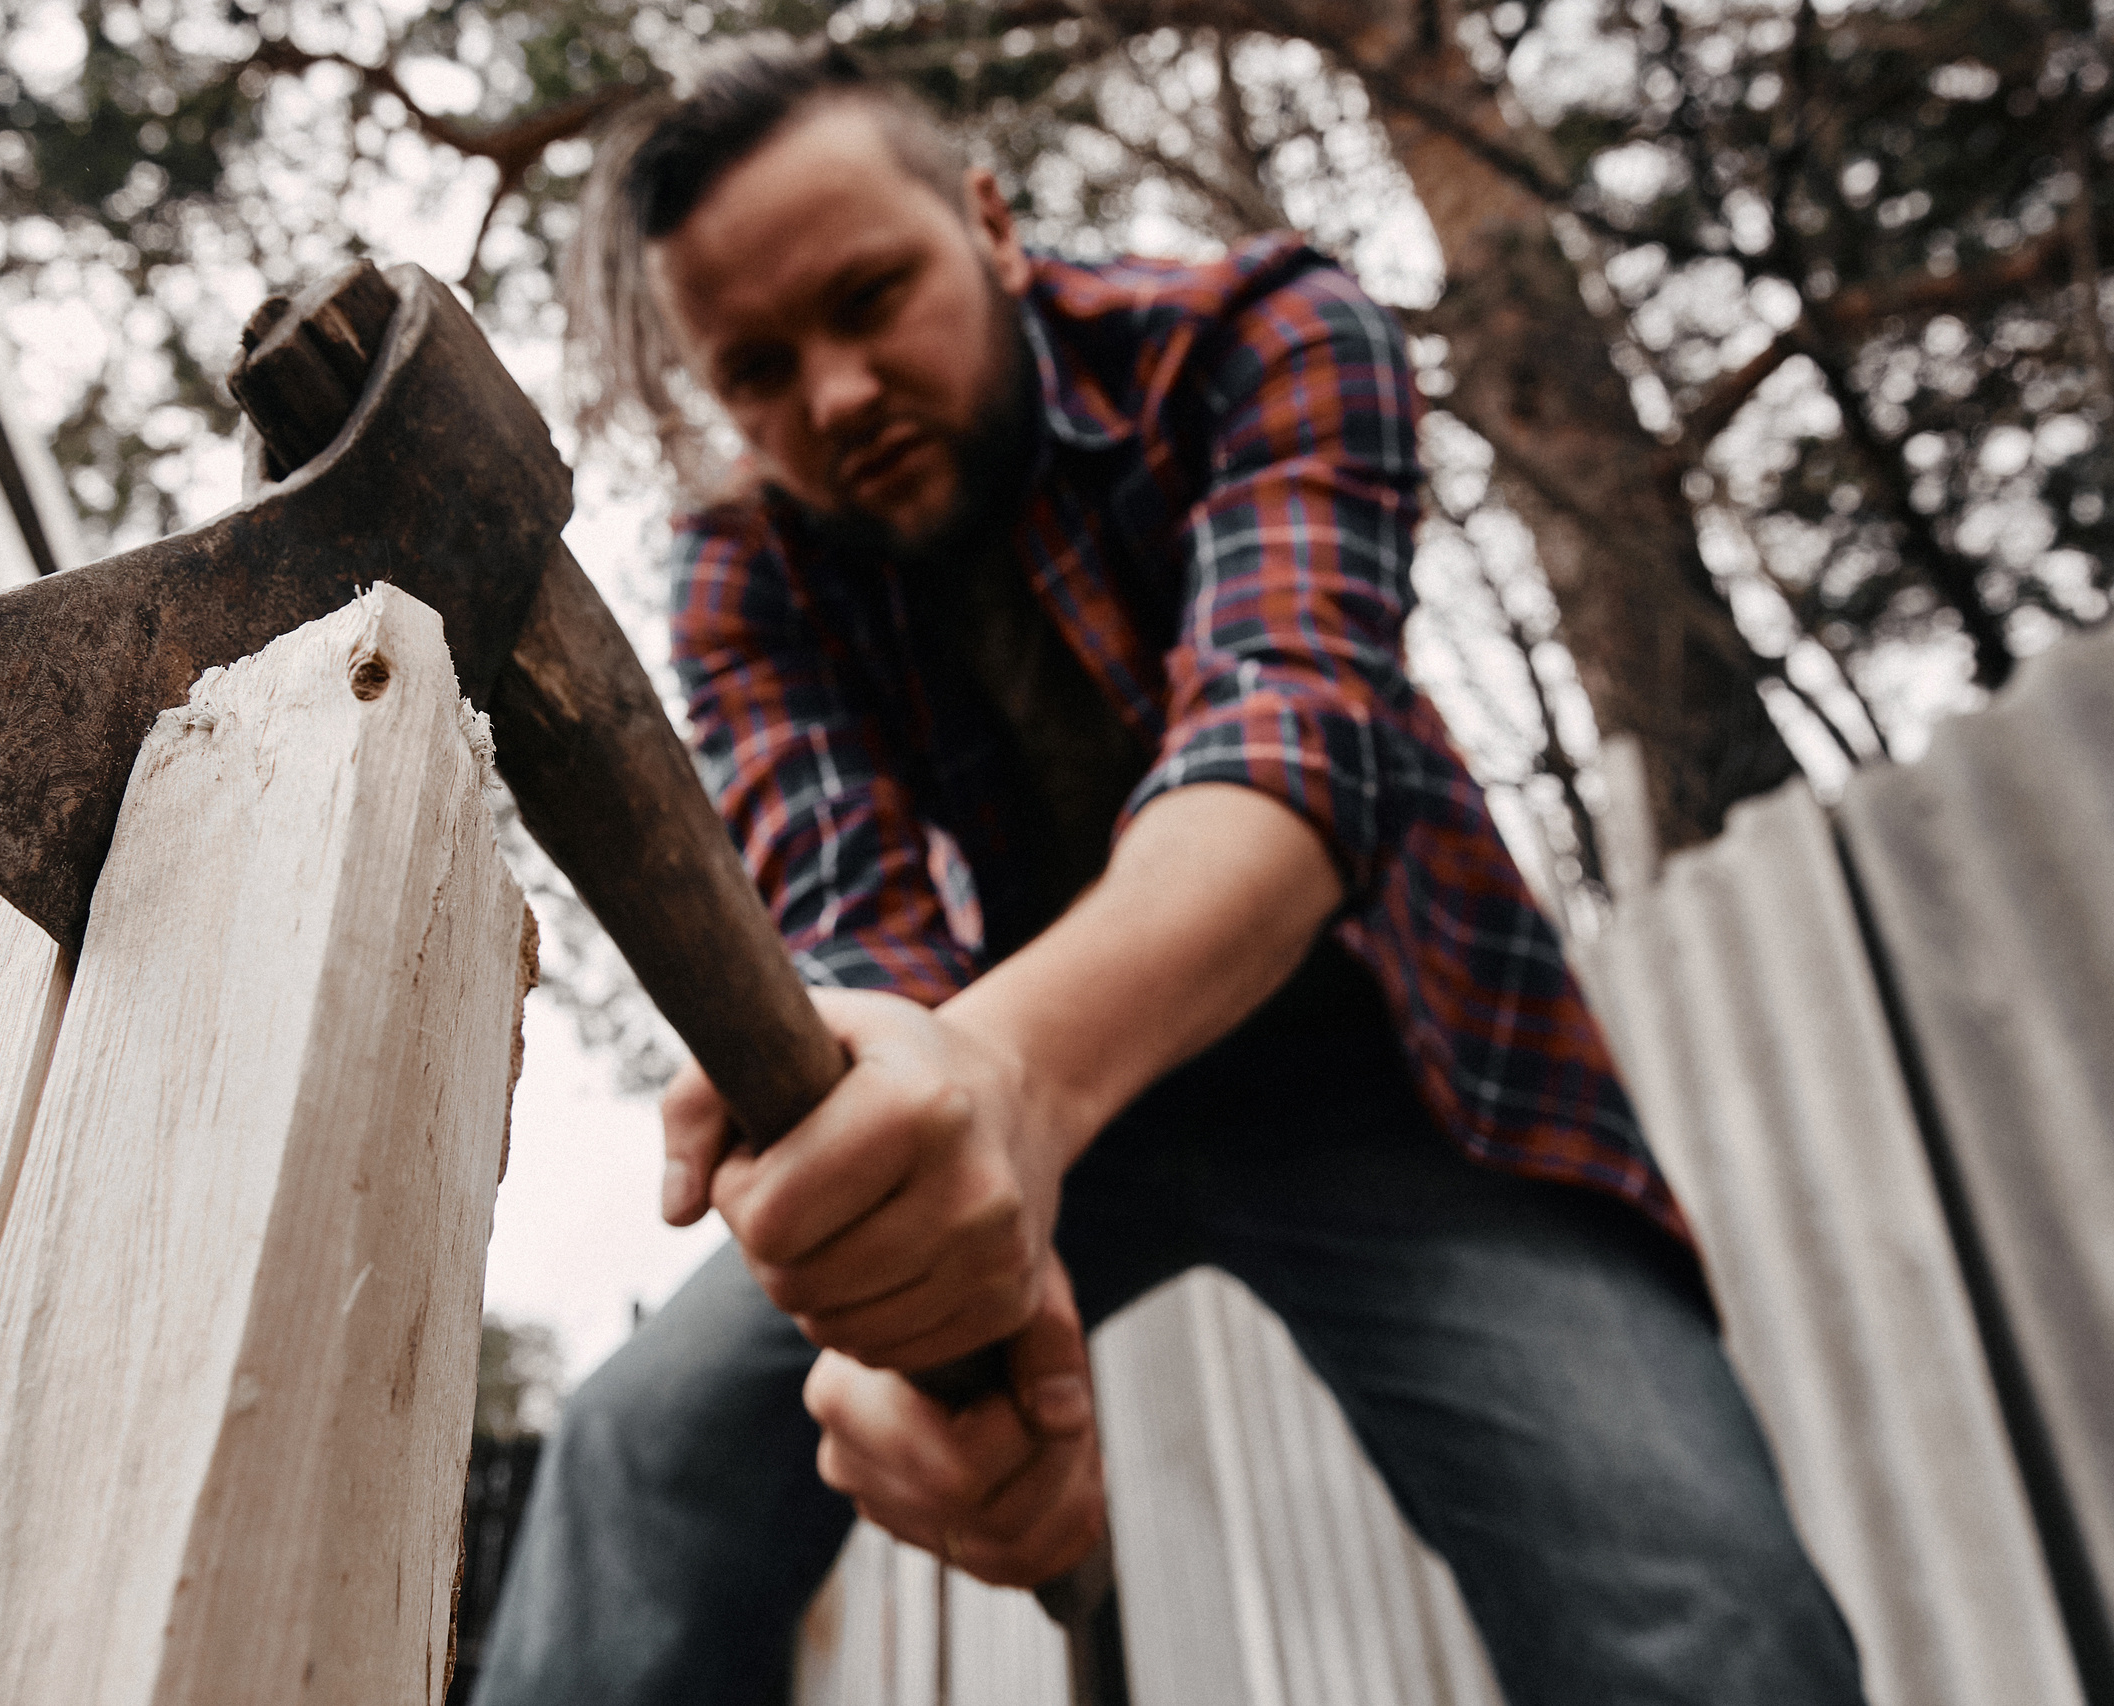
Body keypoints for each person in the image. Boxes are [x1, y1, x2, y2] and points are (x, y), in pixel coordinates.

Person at [473, 37, 1866, 1706]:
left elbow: (1291, 737)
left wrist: (998, 1081)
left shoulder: (1263, 336)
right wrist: (933, 1332)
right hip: (1031, 1111)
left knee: (1699, 1623)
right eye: (757, 369)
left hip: (1405, 1081)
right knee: (641, 1453)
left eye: (870, 297)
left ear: (989, 221)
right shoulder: (743, 576)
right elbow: (856, 947)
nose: (833, 395)